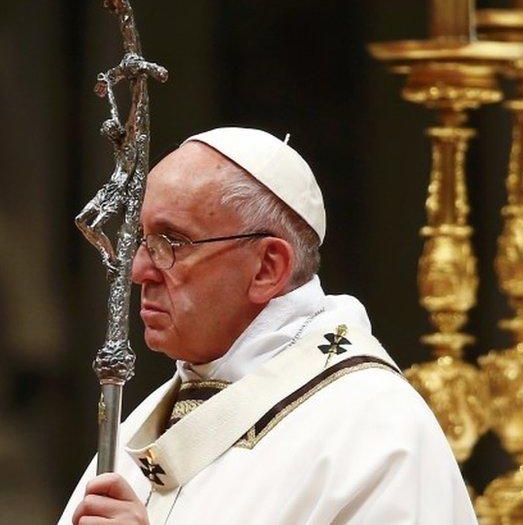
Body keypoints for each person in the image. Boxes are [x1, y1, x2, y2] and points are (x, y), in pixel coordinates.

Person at [60, 127, 476, 524]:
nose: (139, 270)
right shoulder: (146, 418)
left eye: (171, 243)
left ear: (267, 267)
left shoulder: (374, 428)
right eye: (143, 241)